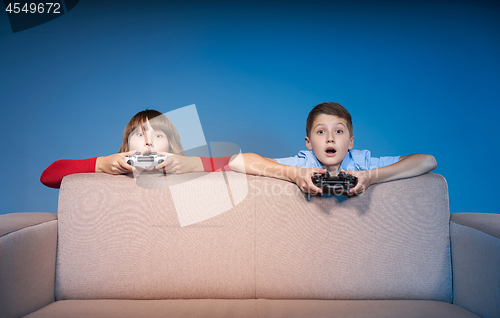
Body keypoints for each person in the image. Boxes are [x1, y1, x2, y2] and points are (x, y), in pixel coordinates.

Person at [227, 102, 437, 195]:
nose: (330, 138)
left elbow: (428, 161)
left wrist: (372, 177)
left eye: (338, 131)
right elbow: (237, 161)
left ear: (351, 141)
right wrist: (294, 174)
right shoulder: (304, 163)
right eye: (320, 132)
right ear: (308, 143)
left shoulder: (361, 162)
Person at [40, 109, 231, 188]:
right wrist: (103, 163)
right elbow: (49, 176)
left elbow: (243, 162)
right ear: (127, 145)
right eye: (140, 134)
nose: (149, 142)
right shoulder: (110, 172)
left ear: (171, 146)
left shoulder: (186, 173)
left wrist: (192, 163)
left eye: (158, 135)